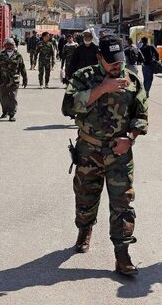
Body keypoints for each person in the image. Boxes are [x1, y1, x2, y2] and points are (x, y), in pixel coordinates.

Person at [62, 35, 148, 276]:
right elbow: (67, 106)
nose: (117, 66)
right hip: (88, 151)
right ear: (99, 57)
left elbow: (141, 115)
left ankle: (122, 254)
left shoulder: (132, 80)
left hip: (119, 153)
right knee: (85, 197)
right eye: (111, 62)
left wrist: (130, 138)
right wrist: (102, 89)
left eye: (119, 60)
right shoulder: (84, 77)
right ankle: (85, 229)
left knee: (123, 203)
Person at [0, 38, 28, 121]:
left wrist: (25, 79)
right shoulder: (1, 55)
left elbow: (22, 68)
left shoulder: (18, 56)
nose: (8, 46)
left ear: (13, 45)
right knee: (2, 96)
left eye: (10, 45)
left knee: (13, 96)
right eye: (7, 45)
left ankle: (12, 114)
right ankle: (5, 111)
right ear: (4, 46)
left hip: (14, 80)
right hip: (3, 80)